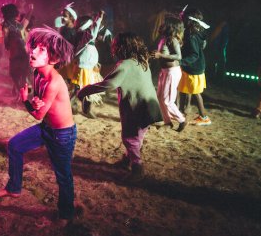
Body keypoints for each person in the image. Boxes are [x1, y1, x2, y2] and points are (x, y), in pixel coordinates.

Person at [0, 27, 77, 224]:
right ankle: (14, 188)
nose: (33, 52)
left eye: (41, 50)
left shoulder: (53, 81)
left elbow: (38, 115)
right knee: (15, 145)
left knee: (63, 175)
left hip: (62, 135)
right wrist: (35, 100)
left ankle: (66, 213)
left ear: (53, 58)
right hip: (47, 129)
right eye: (34, 47)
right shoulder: (38, 73)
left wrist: (25, 100)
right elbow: (40, 106)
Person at [78, 32, 162, 180]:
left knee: (129, 138)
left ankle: (137, 166)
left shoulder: (124, 65)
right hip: (150, 108)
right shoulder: (141, 61)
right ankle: (127, 160)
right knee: (137, 136)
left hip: (136, 109)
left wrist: (86, 90)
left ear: (121, 47)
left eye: (115, 45)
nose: (113, 47)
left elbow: (110, 84)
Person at [152, 16, 186, 131]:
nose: (162, 24)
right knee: (160, 97)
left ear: (171, 27)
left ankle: (182, 120)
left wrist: (161, 55)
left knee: (167, 100)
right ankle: (167, 121)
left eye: (165, 23)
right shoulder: (165, 38)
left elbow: (179, 56)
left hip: (172, 72)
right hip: (165, 71)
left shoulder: (173, 40)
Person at [178, 8, 211, 126]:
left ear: (189, 20)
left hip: (194, 68)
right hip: (191, 67)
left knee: (195, 92)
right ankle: (180, 113)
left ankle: (204, 117)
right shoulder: (195, 33)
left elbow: (194, 54)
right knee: (183, 89)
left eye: (183, 18)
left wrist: (181, 62)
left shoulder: (192, 35)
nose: (181, 20)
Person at [72, 11, 105, 117]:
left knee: (81, 88)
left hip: (87, 67)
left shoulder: (85, 39)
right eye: (90, 26)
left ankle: (76, 107)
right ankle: (81, 109)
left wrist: (95, 63)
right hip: (84, 68)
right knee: (84, 89)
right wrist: (99, 18)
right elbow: (94, 31)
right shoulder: (86, 37)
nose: (92, 27)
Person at [1, 3, 30, 99]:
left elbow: (5, 36)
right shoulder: (20, 25)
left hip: (15, 49)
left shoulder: (5, 23)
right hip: (23, 50)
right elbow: (23, 37)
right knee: (22, 73)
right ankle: (20, 91)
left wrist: (6, 45)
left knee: (13, 74)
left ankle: (20, 93)